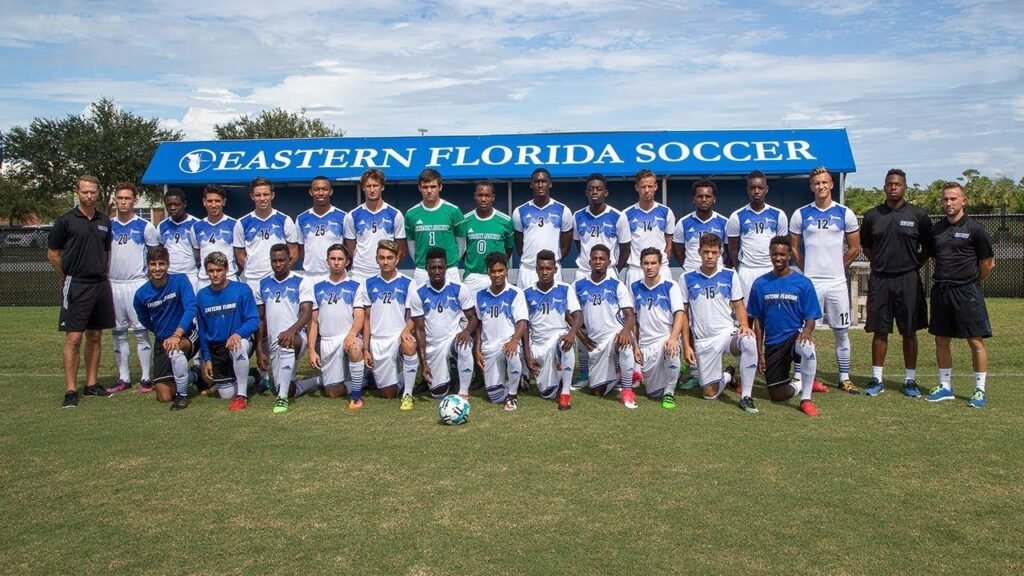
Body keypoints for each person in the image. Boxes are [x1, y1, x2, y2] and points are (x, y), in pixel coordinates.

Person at [860, 169, 933, 397]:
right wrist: (882, 264)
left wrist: (912, 265)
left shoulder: (918, 215)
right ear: (884, 187)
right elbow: (867, 247)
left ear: (904, 188)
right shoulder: (873, 216)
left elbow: (928, 248)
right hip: (881, 278)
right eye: (890, 184)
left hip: (908, 280)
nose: (893, 187)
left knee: (909, 331)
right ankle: (876, 379)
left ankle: (910, 380)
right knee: (880, 331)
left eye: (898, 184)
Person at [789, 166, 861, 394]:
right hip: (811, 284)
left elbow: (854, 247)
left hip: (837, 282)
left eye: (824, 182)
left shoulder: (844, 213)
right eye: (816, 183)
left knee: (841, 331)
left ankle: (844, 377)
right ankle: (799, 376)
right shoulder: (801, 214)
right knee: (804, 330)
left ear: (832, 184)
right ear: (811, 187)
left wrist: (837, 268)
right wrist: (807, 272)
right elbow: (794, 248)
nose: (820, 186)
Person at [925, 182, 995, 408]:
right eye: (945, 199)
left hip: (966, 291)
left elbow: (987, 263)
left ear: (963, 201)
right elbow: (935, 259)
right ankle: (945, 387)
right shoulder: (936, 229)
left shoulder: (975, 229)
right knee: (941, 339)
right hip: (942, 291)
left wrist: (972, 282)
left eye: (953, 199)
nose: (949, 203)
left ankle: (979, 390)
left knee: (975, 341)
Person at [48, 175, 116, 408]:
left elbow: (106, 253)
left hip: (100, 284)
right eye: (85, 192)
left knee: (95, 336)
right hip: (77, 284)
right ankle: (70, 389)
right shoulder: (66, 221)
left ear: (98, 193)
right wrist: (66, 277)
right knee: (74, 337)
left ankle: (91, 384)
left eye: (93, 192)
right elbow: (53, 254)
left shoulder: (105, 221)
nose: (89, 196)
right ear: (77, 192)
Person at [679, 235, 758, 412]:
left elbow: (738, 304)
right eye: (706, 252)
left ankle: (746, 396)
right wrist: (686, 345)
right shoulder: (686, 278)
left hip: (726, 333)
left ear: (720, 253)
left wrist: (744, 324)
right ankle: (728, 376)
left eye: (714, 252)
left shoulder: (730, 275)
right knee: (709, 395)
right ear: (698, 252)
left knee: (748, 341)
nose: (709, 256)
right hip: (704, 340)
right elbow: (683, 315)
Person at [747, 236, 823, 417]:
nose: (778, 258)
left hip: (793, 337)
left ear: (789, 254)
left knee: (807, 347)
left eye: (782, 254)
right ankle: (802, 383)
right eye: (775, 254)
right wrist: (760, 353)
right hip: (773, 343)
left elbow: (811, 316)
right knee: (776, 395)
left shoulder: (803, 283)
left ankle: (806, 399)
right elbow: (758, 323)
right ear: (770, 255)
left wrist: (806, 331)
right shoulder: (760, 284)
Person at [107, 182, 160, 394]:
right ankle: (124, 377)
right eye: (120, 198)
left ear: (135, 201)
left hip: (137, 283)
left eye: (127, 198)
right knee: (118, 332)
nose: (123, 202)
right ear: (114, 201)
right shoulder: (107, 225)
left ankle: (146, 377)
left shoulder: (145, 227)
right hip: (113, 284)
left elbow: (155, 256)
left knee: (140, 331)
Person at [132, 245, 199, 410]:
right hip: (162, 340)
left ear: (168, 265)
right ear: (147, 266)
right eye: (153, 264)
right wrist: (160, 333)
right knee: (163, 396)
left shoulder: (180, 281)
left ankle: (182, 397)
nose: (157, 268)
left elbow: (191, 308)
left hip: (187, 336)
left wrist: (177, 334)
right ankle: (195, 376)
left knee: (175, 349)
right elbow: (144, 318)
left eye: (161, 264)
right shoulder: (141, 294)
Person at [355, 240, 419, 410]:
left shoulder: (408, 283)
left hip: (398, 337)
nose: (385, 261)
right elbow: (367, 318)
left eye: (389, 258)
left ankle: (408, 393)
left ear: (397, 259)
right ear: (376, 259)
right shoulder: (367, 283)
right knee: (387, 394)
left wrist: (405, 331)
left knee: (410, 345)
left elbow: (414, 315)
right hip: (378, 340)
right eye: (381, 258)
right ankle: (400, 379)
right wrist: (366, 348)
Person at [574, 244, 638, 408]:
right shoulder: (578, 285)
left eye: (602, 259)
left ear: (609, 262)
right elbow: (568, 313)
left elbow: (630, 316)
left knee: (625, 343)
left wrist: (625, 331)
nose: (598, 261)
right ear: (589, 262)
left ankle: (627, 390)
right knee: (597, 392)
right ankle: (615, 373)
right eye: (595, 258)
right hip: (594, 341)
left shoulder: (616, 285)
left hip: (613, 335)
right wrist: (582, 337)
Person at [409, 247, 479, 399]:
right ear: (426, 269)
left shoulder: (459, 289)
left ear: (446, 268)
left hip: (452, 339)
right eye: (433, 268)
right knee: (438, 394)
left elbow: (473, 318)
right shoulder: (418, 293)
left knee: (465, 345)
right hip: (433, 347)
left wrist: (466, 331)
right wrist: (424, 363)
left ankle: (463, 392)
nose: (437, 271)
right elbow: (419, 330)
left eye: (440, 267)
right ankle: (446, 377)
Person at [195, 251, 261, 411]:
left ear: (226, 270)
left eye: (219, 270)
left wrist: (238, 334)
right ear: (206, 272)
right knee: (226, 394)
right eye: (211, 271)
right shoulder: (202, 296)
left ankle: (242, 396)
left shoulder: (242, 290)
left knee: (237, 346)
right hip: (217, 348)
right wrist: (207, 358)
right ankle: (253, 376)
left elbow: (253, 320)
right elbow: (202, 331)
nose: (215, 274)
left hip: (240, 340)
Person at [256, 244, 315, 414]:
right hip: (273, 342)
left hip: (297, 337)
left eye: (282, 260)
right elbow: (260, 320)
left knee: (286, 343)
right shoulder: (263, 284)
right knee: (284, 386)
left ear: (290, 260)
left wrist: (292, 330)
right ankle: (317, 381)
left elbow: (306, 313)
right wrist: (259, 351)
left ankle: (281, 399)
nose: (278, 264)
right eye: (274, 261)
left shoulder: (301, 281)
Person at [306, 243, 366, 409]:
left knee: (354, 347)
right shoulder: (317, 287)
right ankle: (362, 380)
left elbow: (360, 315)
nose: (336, 262)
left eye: (340, 259)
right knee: (332, 392)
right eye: (333, 258)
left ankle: (356, 397)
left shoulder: (356, 286)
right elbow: (313, 322)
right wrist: (311, 349)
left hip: (348, 336)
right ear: (327, 261)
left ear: (347, 262)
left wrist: (352, 334)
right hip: (327, 340)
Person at [524, 249, 583, 410]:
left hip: (558, 338)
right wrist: (528, 356)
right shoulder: (527, 293)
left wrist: (571, 334)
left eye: (549, 268)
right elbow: (524, 327)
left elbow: (578, 315)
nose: (545, 272)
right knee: (547, 392)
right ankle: (555, 377)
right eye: (541, 268)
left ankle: (565, 394)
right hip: (538, 347)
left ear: (555, 269)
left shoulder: (565, 289)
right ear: (536, 269)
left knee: (565, 340)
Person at [474, 252, 531, 411]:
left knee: (511, 352)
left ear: (507, 271)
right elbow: (479, 325)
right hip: (489, 347)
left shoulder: (515, 293)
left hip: (508, 343)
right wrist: (477, 349)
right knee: (494, 397)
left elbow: (522, 322)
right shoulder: (480, 295)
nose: (497, 275)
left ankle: (512, 395)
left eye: (500, 271)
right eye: (493, 271)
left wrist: (514, 341)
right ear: (488, 272)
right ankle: (514, 382)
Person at [630, 247, 685, 409]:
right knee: (653, 393)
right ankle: (676, 374)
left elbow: (680, 314)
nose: (649, 267)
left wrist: (673, 338)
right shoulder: (634, 287)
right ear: (640, 265)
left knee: (671, 349)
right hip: (647, 345)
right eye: (646, 263)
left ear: (660, 265)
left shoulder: (670, 286)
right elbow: (632, 319)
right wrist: (635, 346)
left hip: (665, 339)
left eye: (653, 263)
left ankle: (670, 392)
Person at [726, 170, 789, 304]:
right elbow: (732, 250)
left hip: (770, 269)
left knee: (771, 310)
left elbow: (783, 247)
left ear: (766, 189)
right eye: (752, 188)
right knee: (748, 314)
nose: (756, 191)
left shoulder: (779, 215)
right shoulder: (736, 216)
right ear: (747, 190)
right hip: (747, 271)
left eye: (760, 188)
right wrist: (740, 269)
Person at [233, 176, 298, 298]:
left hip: (277, 279)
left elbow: (293, 251)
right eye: (258, 195)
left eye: (265, 194)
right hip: (252, 280)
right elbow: (240, 254)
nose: (262, 199)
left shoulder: (285, 220)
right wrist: (253, 268)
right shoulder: (242, 223)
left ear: (272, 195)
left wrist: (281, 271)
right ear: (252, 196)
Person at [512, 168, 573, 288]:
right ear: (531, 185)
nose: (540, 185)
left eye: (544, 181)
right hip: (528, 269)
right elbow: (519, 243)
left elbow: (566, 243)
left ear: (550, 184)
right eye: (537, 182)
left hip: (552, 270)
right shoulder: (519, 211)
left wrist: (555, 259)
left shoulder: (563, 210)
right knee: (524, 306)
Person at [343, 169, 407, 282]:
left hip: (386, 273)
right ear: (363, 188)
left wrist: (388, 266)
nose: (372, 190)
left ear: (382, 187)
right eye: (368, 186)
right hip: (360, 273)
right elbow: (350, 248)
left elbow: (400, 248)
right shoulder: (352, 215)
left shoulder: (395, 214)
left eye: (375, 185)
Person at [405, 169, 465, 285]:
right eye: (425, 187)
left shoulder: (453, 211)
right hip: (423, 270)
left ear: (440, 187)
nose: (429, 191)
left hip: (449, 270)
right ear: (419, 188)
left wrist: (452, 262)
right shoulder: (411, 214)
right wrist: (423, 263)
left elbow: (462, 245)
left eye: (433, 187)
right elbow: (412, 247)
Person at [458, 180, 515, 295]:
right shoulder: (465, 220)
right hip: (473, 276)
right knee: (471, 312)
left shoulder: (505, 221)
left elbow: (508, 249)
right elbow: (462, 249)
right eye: (480, 195)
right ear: (475, 196)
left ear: (493, 197)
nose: (483, 199)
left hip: (496, 276)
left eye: (487, 195)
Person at [572, 173, 630, 281]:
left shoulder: (618, 216)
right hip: (584, 272)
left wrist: (615, 270)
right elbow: (579, 245)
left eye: (599, 189)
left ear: (606, 193)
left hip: (608, 273)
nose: (595, 192)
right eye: (591, 189)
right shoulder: (577, 216)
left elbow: (625, 250)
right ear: (586, 193)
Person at [624, 169, 675, 286]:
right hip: (636, 269)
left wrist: (660, 262)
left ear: (656, 186)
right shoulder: (626, 214)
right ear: (637, 187)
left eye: (650, 186)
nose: (647, 190)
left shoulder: (666, 212)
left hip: (661, 270)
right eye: (643, 187)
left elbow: (669, 244)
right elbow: (624, 245)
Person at [189, 184, 239, 291]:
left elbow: (239, 253)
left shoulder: (235, 225)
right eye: (210, 201)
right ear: (204, 202)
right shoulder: (196, 227)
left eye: (217, 201)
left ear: (223, 202)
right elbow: (197, 254)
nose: (213, 205)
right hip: (204, 279)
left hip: (229, 277)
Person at [672, 180, 728, 273]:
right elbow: (678, 250)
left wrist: (722, 267)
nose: (704, 200)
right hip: (691, 271)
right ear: (694, 199)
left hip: (717, 272)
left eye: (708, 196)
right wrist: (688, 267)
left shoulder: (724, 222)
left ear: (714, 199)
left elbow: (730, 251)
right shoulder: (683, 223)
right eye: (700, 196)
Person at [296, 176, 346, 279]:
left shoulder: (343, 217)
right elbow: (301, 249)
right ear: (311, 192)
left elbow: (348, 246)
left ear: (331, 191)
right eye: (317, 189)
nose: (321, 193)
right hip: (310, 276)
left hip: (335, 275)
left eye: (325, 189)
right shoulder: (301, 218)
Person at [157, 187, 200, 293]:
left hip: (191, 276)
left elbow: (200, 253)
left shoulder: (197, 224)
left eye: (176, 204)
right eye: (169, 205)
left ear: (184, 204)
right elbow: (160, 252)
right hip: (169, 277)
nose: (172, 208)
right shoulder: (161, 226)